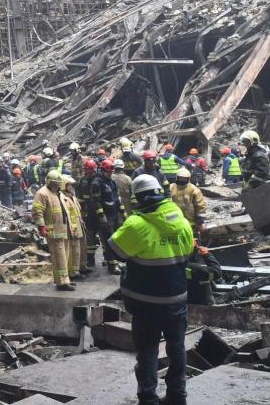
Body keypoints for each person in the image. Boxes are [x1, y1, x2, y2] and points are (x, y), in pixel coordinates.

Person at [107, 175, 194, 405]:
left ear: (138, 198)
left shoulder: (136, 225)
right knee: (177, 348)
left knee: (147, 352)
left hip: (146, 302)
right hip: (177, 298)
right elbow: (187, 254)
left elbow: (114, 251)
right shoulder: (181, 220)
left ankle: (148, 398)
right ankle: (178, 395)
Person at [32, 170, 77, 291]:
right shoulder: (42, 193)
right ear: (49, 182)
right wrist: (41, 226)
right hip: (53, 231)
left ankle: (65, 279)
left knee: (65, 256)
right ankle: (61, 283)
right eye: (54, 183)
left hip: (63, 229)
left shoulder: (59, 193)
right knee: (59, 257)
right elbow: (37, 212)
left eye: (58, 183)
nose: (56, 186)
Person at [92, 159, 124, 274]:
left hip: (114, 214)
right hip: (106, 216)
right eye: (108, 172)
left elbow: (117, 198)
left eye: (111, 172)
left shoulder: (112, 181)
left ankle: (114, 260)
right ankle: (112, 265)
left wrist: (123, 212)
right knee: (108, 240)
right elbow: (96, 202)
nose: (110, 174)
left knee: (115, 238)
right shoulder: (97, 183)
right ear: (102, 170)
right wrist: (102, 217)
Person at [60, 175, 88, 279]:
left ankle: (82, 266)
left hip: (78, 224)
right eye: (69, 185)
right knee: (74, 248)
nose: (72, 187)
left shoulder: (72, 196)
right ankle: (74, 272)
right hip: (72, 227)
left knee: (82, 246)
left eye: (72, 185)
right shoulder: (63, 198)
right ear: (64, 186)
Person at [76, 159, 101, 273]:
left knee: (104, 235)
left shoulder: (99, 179)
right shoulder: (82, 181)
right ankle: (90, 258)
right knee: (90, 236)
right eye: (88, 171)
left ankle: (109, 258)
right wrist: (81, 211)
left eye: (91, 171)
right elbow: (80, 197)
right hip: (89, 212)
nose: (90, 173)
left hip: (100, 211)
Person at [170, 168, 207, 234]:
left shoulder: (193, 189)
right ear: (177, 177)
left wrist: (200, 220)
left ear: (188, 179)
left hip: (190, 221)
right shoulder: (171, 187)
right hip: (173, 221)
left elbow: (200, 204)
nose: (182, 181)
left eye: (184, 179)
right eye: (180, 178)